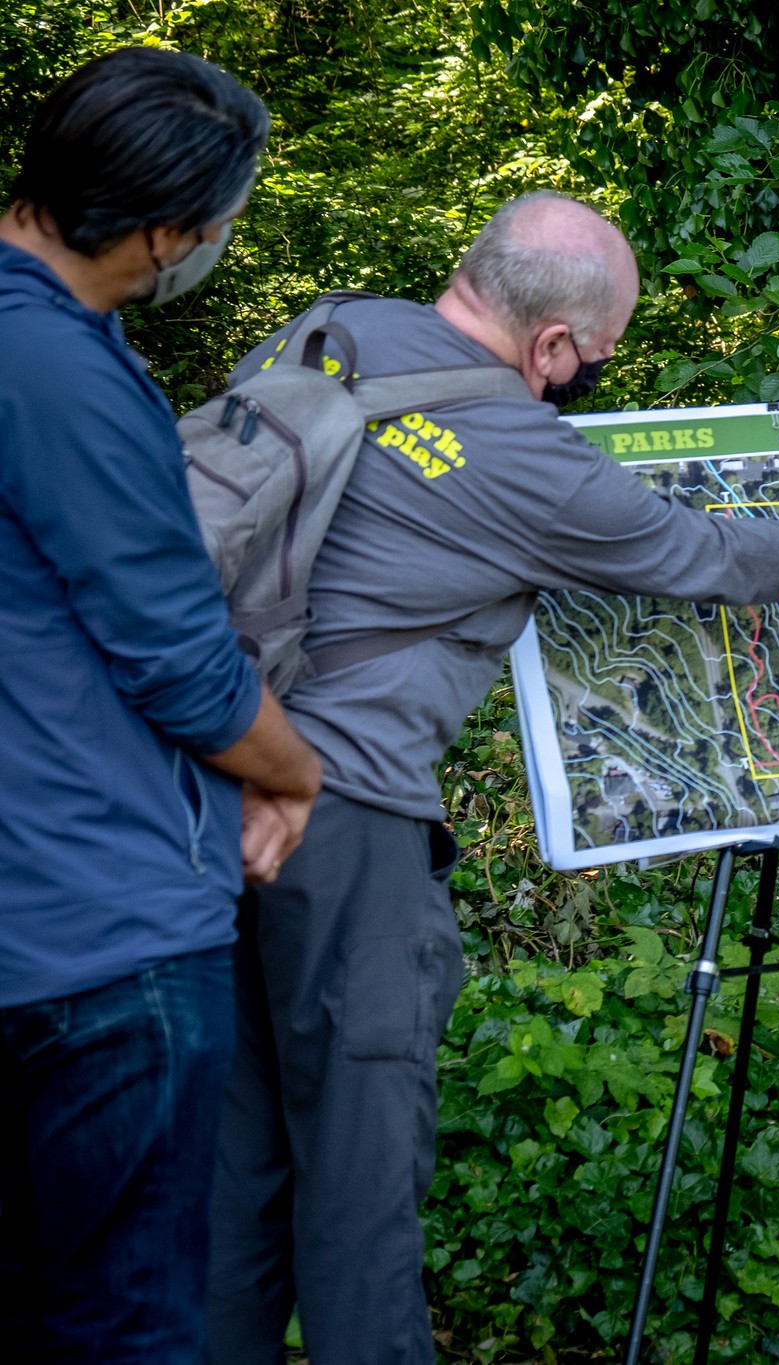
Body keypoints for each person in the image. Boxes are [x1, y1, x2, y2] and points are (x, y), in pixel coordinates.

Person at [203, 190, 779, 1365]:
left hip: (212, 782)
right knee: (361, 1170)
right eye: (592, 359)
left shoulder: (328, 335)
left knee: (241, 1163)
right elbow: (701, 556)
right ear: (549, 345)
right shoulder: (523, 453)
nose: (582, 378)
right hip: (347, 820)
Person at [0, 48, 326, 1365]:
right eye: (215, 220)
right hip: (96, 936)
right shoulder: (57, 373)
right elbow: (178, 659)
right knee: (124, 1326)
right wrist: (288, 770)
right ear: (159, 232)